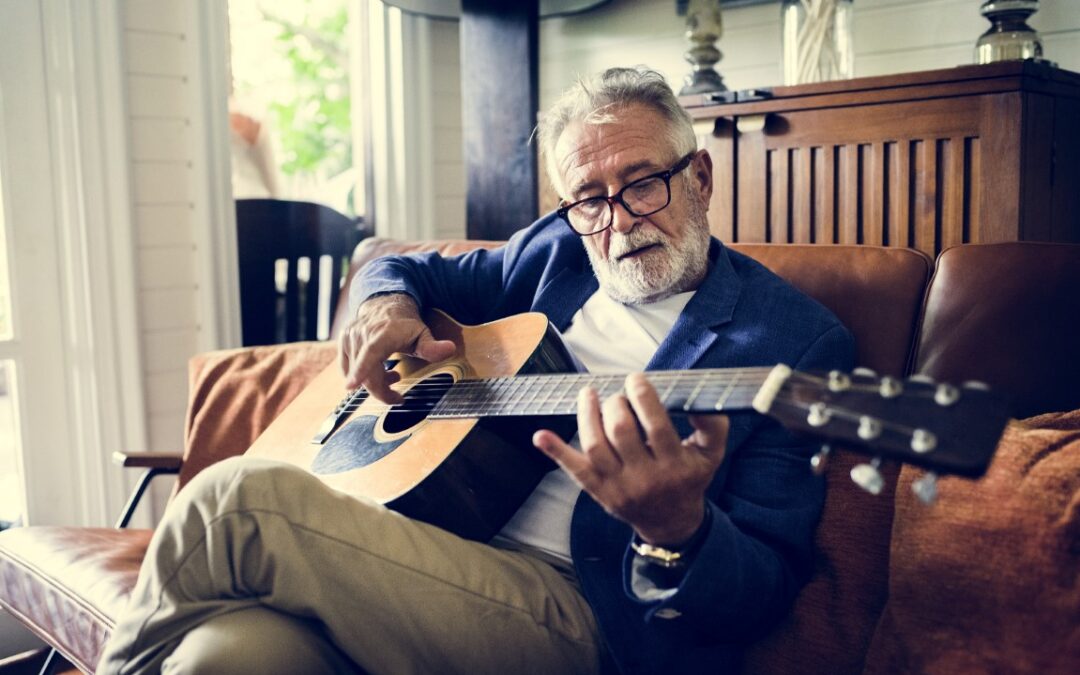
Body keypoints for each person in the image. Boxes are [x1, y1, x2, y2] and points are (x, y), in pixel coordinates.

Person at [98, 66, 853, 675]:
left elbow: (765, 586)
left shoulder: (795, 342)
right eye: (589, 198)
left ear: (702, 178)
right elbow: (400, 264)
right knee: (223, 657)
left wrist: (678, 529)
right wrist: (384, 304)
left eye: (642, 182)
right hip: (418, 544)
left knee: (235, 498)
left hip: (578, 606)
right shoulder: (555, 251)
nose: (617, 220)